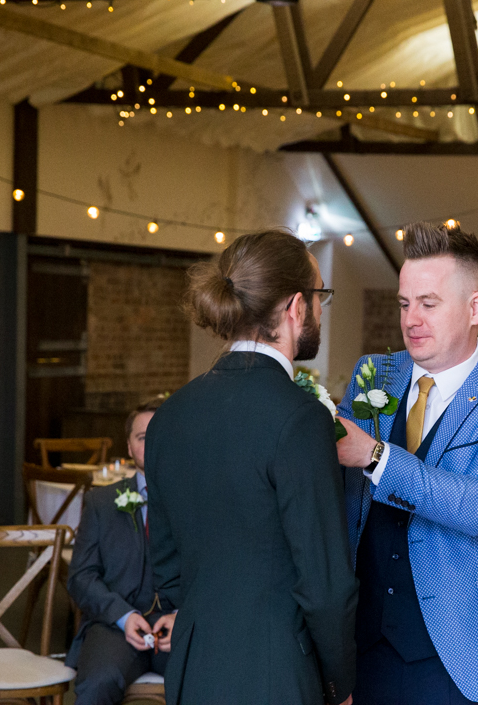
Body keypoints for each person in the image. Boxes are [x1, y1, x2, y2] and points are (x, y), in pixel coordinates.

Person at [335, 221, 478, 705]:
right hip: (364, 646)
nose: (411, 319)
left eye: (429, 303)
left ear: (475, 307)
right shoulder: (375, 375)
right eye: (404, 303)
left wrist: (374, 455)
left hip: (463, 657)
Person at [146, 230, 358, 705]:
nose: (321, 310)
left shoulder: (169, 415)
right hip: (276, 674)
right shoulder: (301, 419)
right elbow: (325, 584)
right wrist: (340, 683)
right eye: (320, 296)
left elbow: (167, 567)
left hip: (193, 670)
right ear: (296, 307)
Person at [66, 397, 176, 704]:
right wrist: (122, 616)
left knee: (218, 676)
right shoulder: (101, 503)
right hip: (115, 625)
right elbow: (81, 576)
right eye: (142, 437)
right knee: (97, 683)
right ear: (129, 447)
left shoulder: (195, 502)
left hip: (180, 626)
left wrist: (183, 615)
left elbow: (214, 572)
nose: (151, 444)